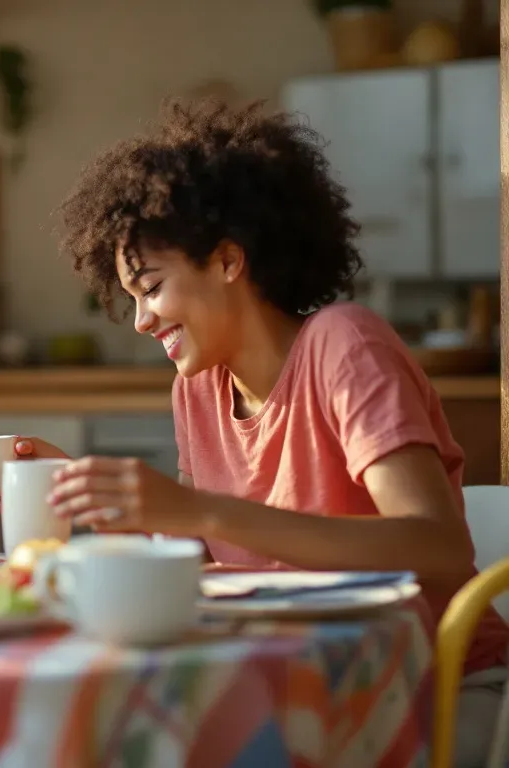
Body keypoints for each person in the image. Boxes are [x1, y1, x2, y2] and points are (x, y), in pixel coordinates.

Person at [26, 98, 509, 767]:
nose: (140, 320)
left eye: (151, 287)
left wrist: (197, 509)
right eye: (131, 298)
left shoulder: (343, 345)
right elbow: (201, 569)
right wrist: (105, 502)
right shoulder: (196, 388)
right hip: (293, 689)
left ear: (229, 260)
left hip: (435, 689)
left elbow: (441, 547)